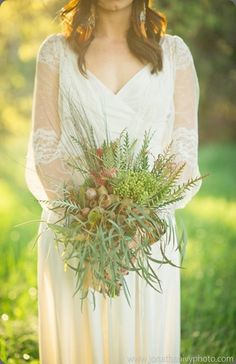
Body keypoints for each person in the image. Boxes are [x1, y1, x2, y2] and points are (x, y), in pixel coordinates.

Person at [25, 0, 202, 362]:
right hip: (75, 231)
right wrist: (87, 225)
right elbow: (45, 146)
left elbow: (183, 148)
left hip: (147, 234)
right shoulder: (55, 52)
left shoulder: (174, 53)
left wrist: (138, 227)